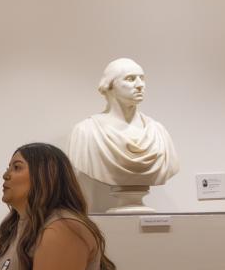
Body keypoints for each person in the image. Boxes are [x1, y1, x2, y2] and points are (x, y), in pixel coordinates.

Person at [69, 57, 179, 187]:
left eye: (142, 78)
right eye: (130, 79)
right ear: (110, 86)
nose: (140, 85)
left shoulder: (158, 132)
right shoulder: (86, 132)